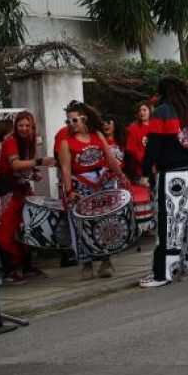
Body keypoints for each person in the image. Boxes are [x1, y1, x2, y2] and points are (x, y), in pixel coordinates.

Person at [139, 76, 188, 287]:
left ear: (163, 93)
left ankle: (164, 273)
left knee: (170, 224)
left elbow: (153, 146)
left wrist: (145, 171)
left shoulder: (161, 113)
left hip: (172, 176)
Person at [56, 101, 125, 280]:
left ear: (84, 119)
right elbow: (65, 169)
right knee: (82, 224)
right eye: (68, 121)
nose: (71, 124)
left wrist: (120, 175)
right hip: (81, 185)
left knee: (105, 221)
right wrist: (69, 191)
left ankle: (106, 261)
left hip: (102, 182)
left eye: (74, 120)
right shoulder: (66, 142)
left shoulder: (97, 135)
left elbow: (110, 159)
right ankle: (87, 264)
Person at [0, 112, 54, 284]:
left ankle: (27, 267)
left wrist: (34, 173)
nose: (24, 129)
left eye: (27, 125)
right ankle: (9, 271)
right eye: (21, 125)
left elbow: (25, 166)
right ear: (16, 126)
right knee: (6, 230)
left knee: (28, 226)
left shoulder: (29, 141)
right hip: (7, 192)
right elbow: (15, 164)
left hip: (22, 190)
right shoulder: (10, 141)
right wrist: (40, 162)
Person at [124, 102, 152, 186]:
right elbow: (131, 149)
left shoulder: (156, 126)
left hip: (157, 168)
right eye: (139, 110)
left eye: (144, 110)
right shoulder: (133, 128)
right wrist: (147, 162)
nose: (141, 112)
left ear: (150, 111)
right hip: (141, 170)